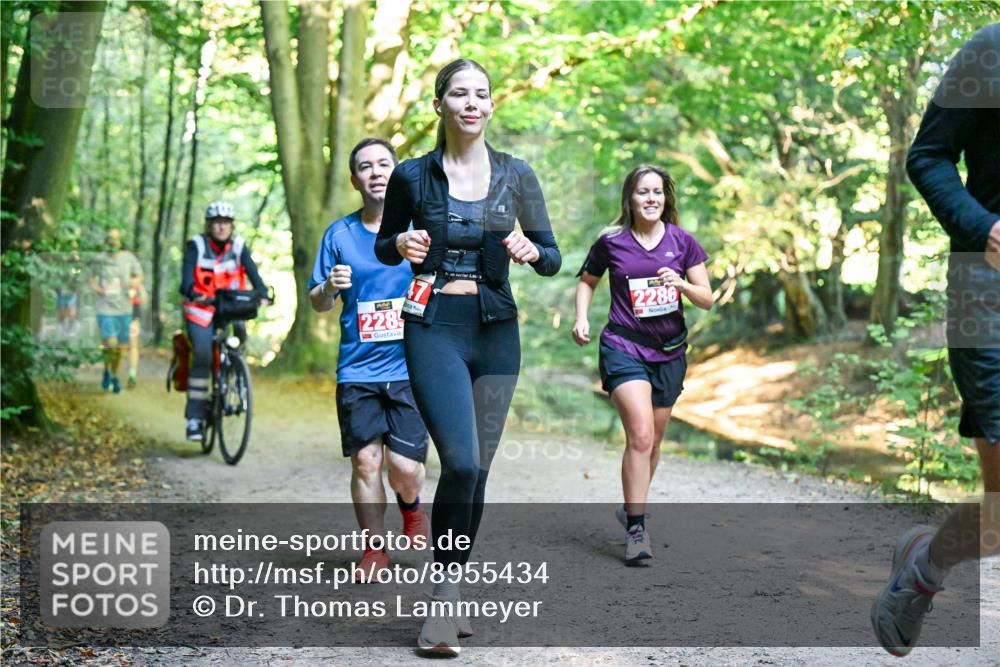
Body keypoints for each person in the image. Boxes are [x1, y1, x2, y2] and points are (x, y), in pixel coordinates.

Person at [375, 58, 561, 656]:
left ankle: (447, 590)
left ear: (490, 106)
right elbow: (386, 244)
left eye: (482, 94)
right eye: (460, 93)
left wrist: (532, 250)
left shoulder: (517, 175)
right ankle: (439, 606)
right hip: (433, 328)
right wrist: (399, 242)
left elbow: (554, 255)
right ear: (441, 105)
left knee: (478, 471)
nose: (472, 103)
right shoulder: (411, 175)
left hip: (496, 332)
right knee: (457, 461)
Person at [871, 24, 999, 657]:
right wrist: (985, 227)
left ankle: (924, 564)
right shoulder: (991, 50)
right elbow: (928, 155)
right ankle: (923, 565)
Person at [572, 165, 712, 565]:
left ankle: (631, 505)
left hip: (670, 352)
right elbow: (587, 281)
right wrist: (582, 317)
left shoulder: (683, 242)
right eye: (642, 192)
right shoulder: (611, 241)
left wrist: (682, 284)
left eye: (658, 192)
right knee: (641, 436)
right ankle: (637, 528)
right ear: (629, 199)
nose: (651, 199)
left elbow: (707, 298)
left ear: (666, 198)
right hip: (623, 346)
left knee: (654, 442)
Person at [308, 138, 431, 582]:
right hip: (357, 369)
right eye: (365, 166)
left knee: (403, 468)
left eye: (384, 164)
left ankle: (412, 506)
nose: (376, 172)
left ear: (397, 174)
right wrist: (329, 287)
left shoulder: (421, 229)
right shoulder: (339, 235)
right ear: (354, 179)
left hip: (411, 367)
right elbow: (319, 303)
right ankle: (374, 549)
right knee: (366, 462)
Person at [179, 201, 269, 442]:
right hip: (201, 309)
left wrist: (262, 294)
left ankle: (232, 377)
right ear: (209, 225)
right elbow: (186, 281)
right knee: (203, 354)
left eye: (225, 223)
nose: (221, 228)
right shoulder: (196, 246)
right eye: (217, 223)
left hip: (230, 308)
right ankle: (195, 418)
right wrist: (193, 292)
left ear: (231, 226)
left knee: (239, 340)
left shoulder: (239, 246)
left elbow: (253, 274)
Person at [88, 228, 143, 394]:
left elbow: (139, 276)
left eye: (116, 239)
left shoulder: (129, 258)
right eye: (110, 239)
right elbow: (90, 278)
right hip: (105, 308)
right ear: (106, 241)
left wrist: (133, 283)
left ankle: (114, 375)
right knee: (110, 343)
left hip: (125, 309)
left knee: (121, 347)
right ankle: (108, 370)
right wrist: (97, 289)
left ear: (120, 241)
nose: (113, 242)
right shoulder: (99, 259)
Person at [126, 276, 146, 388]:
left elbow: (143, 299)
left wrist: (137, 287)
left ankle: (132, 373)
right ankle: (111, 372)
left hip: (133, 311)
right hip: (116, 312)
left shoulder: (136, 279)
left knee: (133, 343)